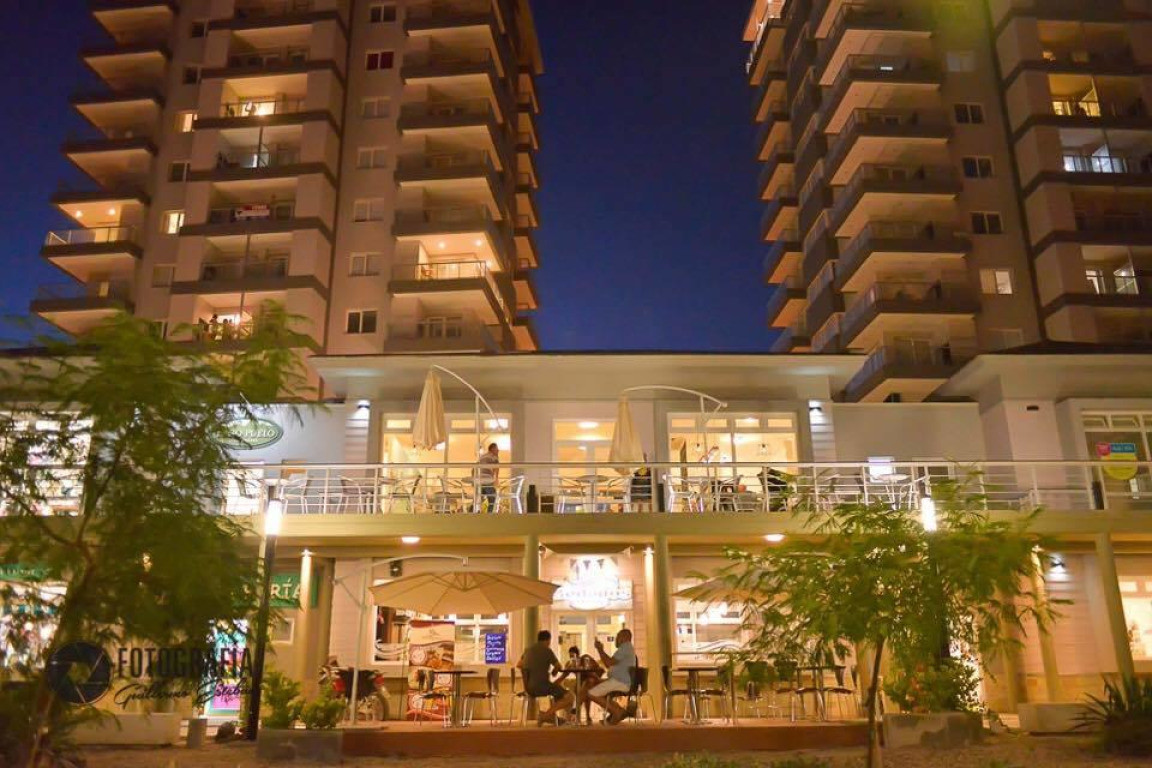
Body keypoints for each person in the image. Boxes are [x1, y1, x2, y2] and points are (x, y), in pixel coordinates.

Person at [580, 628, 638, 725]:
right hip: (617, 680)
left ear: (624, 637)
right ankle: (618, 711)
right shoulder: (627, 648)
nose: (616, 639)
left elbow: (608, 663)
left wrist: (600, 649)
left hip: (620, 682)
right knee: (590, 684)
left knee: (591, 694)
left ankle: (617, 711)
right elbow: (610, 664)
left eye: (618, 637)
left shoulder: (625, 647)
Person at [516, 630, 574, 725]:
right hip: (542, 686)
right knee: (570, 696)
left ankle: (552, 718)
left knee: (558, 692)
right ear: (548, 640)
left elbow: (519, 665)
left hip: (529, 688)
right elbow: (559, 667)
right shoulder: (547, 650)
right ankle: (545, 716)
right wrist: (554, 671)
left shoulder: (528, 650)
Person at [561, 645, 603, 725]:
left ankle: (577, 714)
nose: (572, 658)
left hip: (593, 679)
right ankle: (578, 716)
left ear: (578, 655)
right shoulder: (572, 664)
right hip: (583, 682)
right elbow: (565, 673)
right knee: (577, 689)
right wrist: (568, 668)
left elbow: (592, 672)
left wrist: (598, 679)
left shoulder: (585, 659)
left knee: (586, 686)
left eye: (573, 656)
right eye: (570, 656)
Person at [476, 442, 500, 513]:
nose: (498, 450)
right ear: (492, 449)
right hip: (487, 480)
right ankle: (490, 515)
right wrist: (496, 479)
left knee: (479, 498)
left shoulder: (482, 456)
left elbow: (474, 468)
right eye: (496, 449)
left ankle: (471, 512)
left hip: (479, 480)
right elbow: (497, 468)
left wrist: (475, 481)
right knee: (493, 497)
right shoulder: (494, 456)